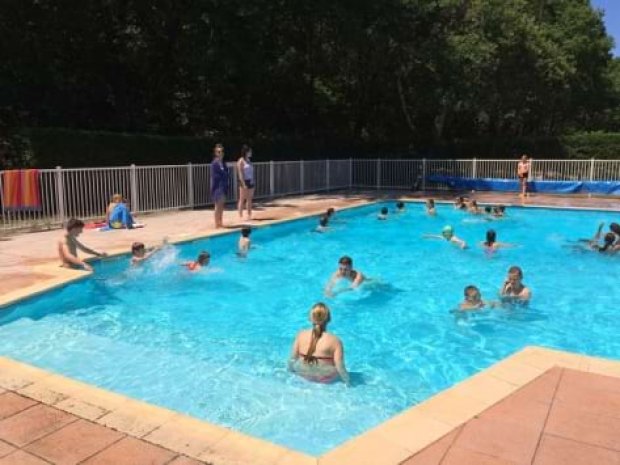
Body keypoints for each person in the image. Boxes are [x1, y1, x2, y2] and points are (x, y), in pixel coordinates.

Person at [288, 303, 350, 385]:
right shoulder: (335, 341)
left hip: (303, 374)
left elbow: (292, 359)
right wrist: (348, 381)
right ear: (329, 319)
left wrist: (290, 371)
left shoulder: (301, 335)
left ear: (310, 318)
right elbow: (340, 366)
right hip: (324, 378)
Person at [211, 143, 229, 229]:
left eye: (222, 151)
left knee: (222, 205)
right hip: (217, 187)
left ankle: (220, 222)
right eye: (218, 152)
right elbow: (215, 176)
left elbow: (226, 174)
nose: (220, 153)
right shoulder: (214, 163)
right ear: (215, 153)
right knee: (217, 205)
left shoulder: (223, 163)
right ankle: (216, 224)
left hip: (223, 186)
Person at [236, 144, 255, 220]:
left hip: (250, 180)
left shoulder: (249, 161)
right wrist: (243, 184)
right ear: (246, 152)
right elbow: (240, 173)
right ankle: (240, 215)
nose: (251, 153)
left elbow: (251, 172)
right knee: (242, 199)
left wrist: (253, 180)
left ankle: (249, 215)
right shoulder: (241, 161)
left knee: (249, 199)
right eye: (250, 151)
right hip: (244, 181)